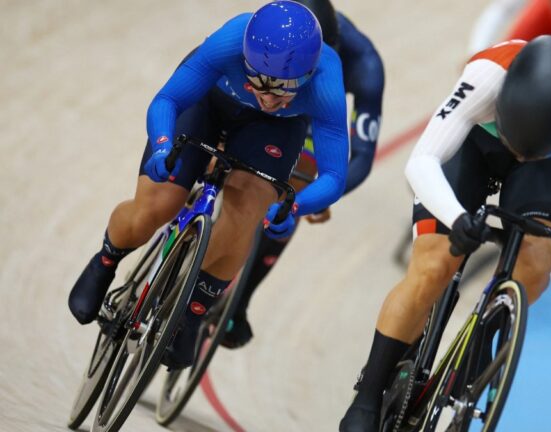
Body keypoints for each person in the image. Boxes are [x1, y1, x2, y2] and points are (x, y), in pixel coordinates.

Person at [339, 35, 551, 431]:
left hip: (545, 162)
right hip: (474, 142)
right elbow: (422, 162)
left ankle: (478, 346)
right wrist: (457, 218)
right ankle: (366, 400)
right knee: (434, 265)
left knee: (538, 263)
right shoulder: (486, 75)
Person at [67, 1, 349, 369]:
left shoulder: (327, 81)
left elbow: (332, 175)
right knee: (158, 205)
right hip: (207, 102)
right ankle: (106, 259)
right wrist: (163, 146)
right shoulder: (230, 41)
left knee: (248, 209)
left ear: (308, 75)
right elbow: (168, 99)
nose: (267, 97)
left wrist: (295, 206)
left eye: (282, 91)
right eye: (259, 81)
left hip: (275, 129)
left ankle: (192, 311)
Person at [221, 0, 385, 349]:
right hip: (262, 97)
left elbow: (362, 156)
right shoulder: (270, 35)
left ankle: (240, 301)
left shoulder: (364, 65)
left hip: (310, 116)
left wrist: (318, 194)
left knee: (294, 191)